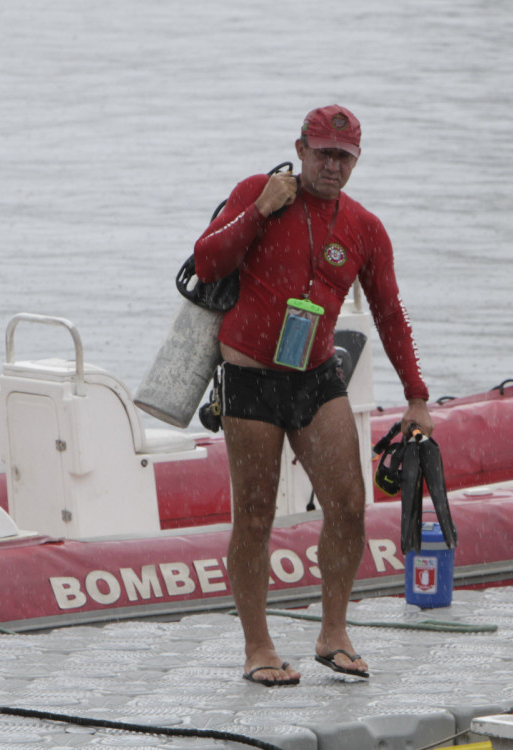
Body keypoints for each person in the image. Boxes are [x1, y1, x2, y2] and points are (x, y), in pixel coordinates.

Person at [194, 105, 433, 686]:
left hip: (316, 375)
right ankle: (258, 647)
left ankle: (333, 633)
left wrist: (417, 394)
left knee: (349, 506)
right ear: (300, 149)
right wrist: (258, 211)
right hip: (250, 376)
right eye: (323, 153)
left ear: (356, 160)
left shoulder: (365, 227)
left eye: (343, 157)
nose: (332, 165)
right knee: (253, 516)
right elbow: (207, 261)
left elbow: (389, 312)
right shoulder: (259, 191)